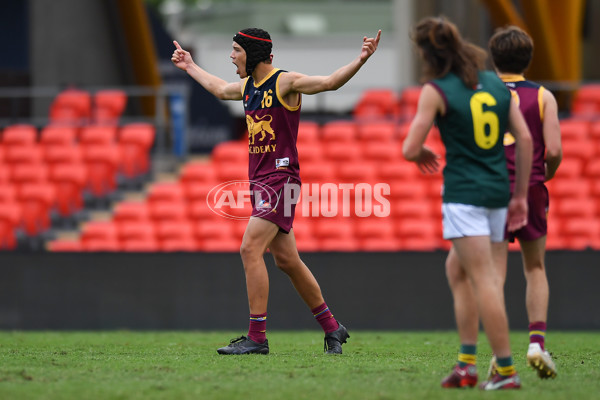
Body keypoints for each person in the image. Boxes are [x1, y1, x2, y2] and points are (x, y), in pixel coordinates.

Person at [172, 28, 381, 355]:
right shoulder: (246, 87)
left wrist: (361, 58)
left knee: (249, 248)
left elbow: (329, 83)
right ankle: (332, 328)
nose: (231, 56)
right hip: (260, 182)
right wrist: (190, 66)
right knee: (287, 260)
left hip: (281, 179)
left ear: (252, 54)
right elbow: (218, 88)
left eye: (236, 50)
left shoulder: (285, 82)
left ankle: (257, 338)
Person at [402, 16, 533, 390]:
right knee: (457, 271)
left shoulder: (437, 90)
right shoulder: (494, 83)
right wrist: (521, 195)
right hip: (497, 192)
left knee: (484, 281)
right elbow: (523, 139)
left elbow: (409, 148)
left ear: (427, 54)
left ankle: (506, 370)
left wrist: (422, 152)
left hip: (465, 196)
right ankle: (466, 365)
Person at [444, 25, 562, 381]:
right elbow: (553, 150)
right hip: (531, 185)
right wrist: (544, 174)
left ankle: (499, 353)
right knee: (535, 267)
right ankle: (536, 343)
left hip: (491, 186)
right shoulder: (543, 96)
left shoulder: (484, 90)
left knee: (492, 272)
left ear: (493, 58)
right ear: (529, 58)